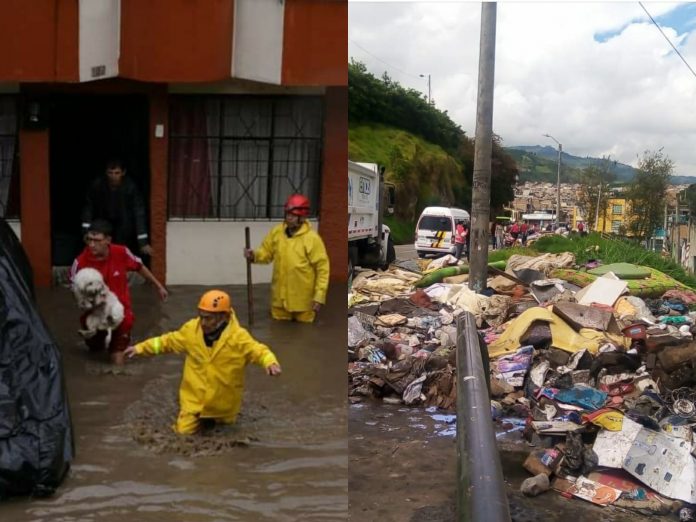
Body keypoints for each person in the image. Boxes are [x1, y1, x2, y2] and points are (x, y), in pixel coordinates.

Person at [124, 290, 282, 435]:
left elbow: (258, 350)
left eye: (208, 318)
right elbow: (167, 342)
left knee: (228, 438)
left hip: (224, 404)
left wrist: (269, 362)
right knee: (182, 435)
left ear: (224, 317)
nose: (203, 322)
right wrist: (140, 348)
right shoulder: (191, 331)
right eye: (201, 316)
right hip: (194, 400)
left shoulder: (239, 338)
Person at [70, 220, 168, 365]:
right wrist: (87, 302)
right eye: (89, 240)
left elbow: (139, 266)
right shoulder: (79, 263)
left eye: (97, 240)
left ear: (108, 240)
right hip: (95, 315)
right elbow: (74, 290)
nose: (91, 245)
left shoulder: (121, 252)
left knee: (118, 355)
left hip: (121, 313)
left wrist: (158, 286)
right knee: (95, 350)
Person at [244, 194, 330, 323]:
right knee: (278, 332)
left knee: (304, 336)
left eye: (293, 215)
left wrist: (319, 297)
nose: (289, 218)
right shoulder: (277, 233)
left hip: (304, 303)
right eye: (288, 214)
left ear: (302, 217)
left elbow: (322, 269)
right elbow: (266, 254)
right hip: (279, 301)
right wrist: (254, 255)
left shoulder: (312, 239)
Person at [81, 159, 153, 257]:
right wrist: (85, 231)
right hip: (103, 222)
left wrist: (143, 242)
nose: (113, 176)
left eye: (117, 173)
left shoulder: (131, 188)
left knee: (120, 252)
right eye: (110, 173)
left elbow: (139, 213)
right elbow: (88, 208)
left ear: (123, 172)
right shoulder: (97, 185)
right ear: (106, 172)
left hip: (124, 225)